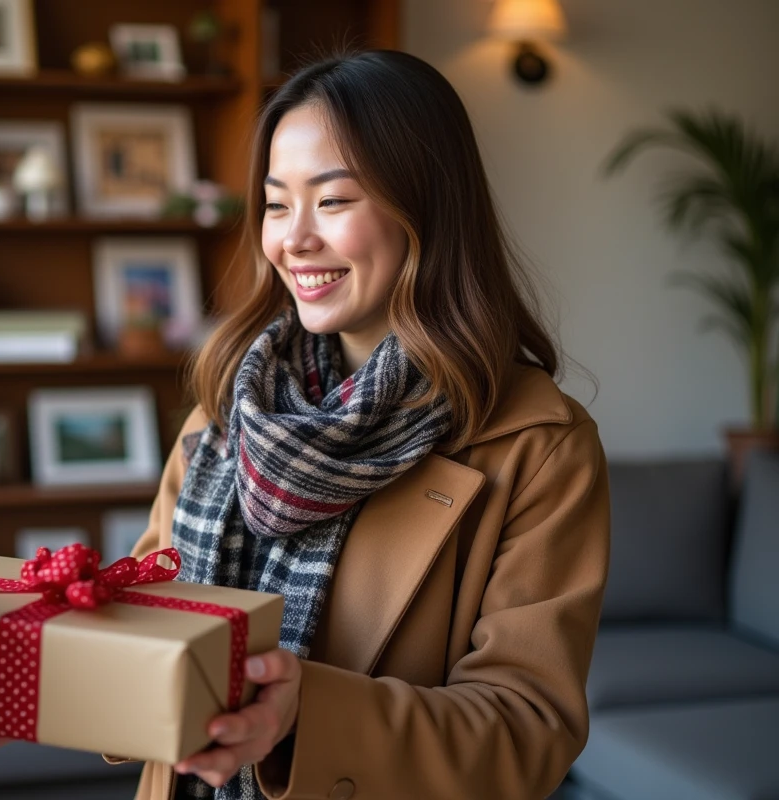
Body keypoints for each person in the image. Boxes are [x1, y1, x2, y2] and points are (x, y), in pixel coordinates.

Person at [119, 51, 611, 800]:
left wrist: (303, 715)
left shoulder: (538, 447)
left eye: (334, 201)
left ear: (426, 207)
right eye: (277, 204)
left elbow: (526, 731)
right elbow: (146, 616)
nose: (293, 239)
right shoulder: (227, 410)